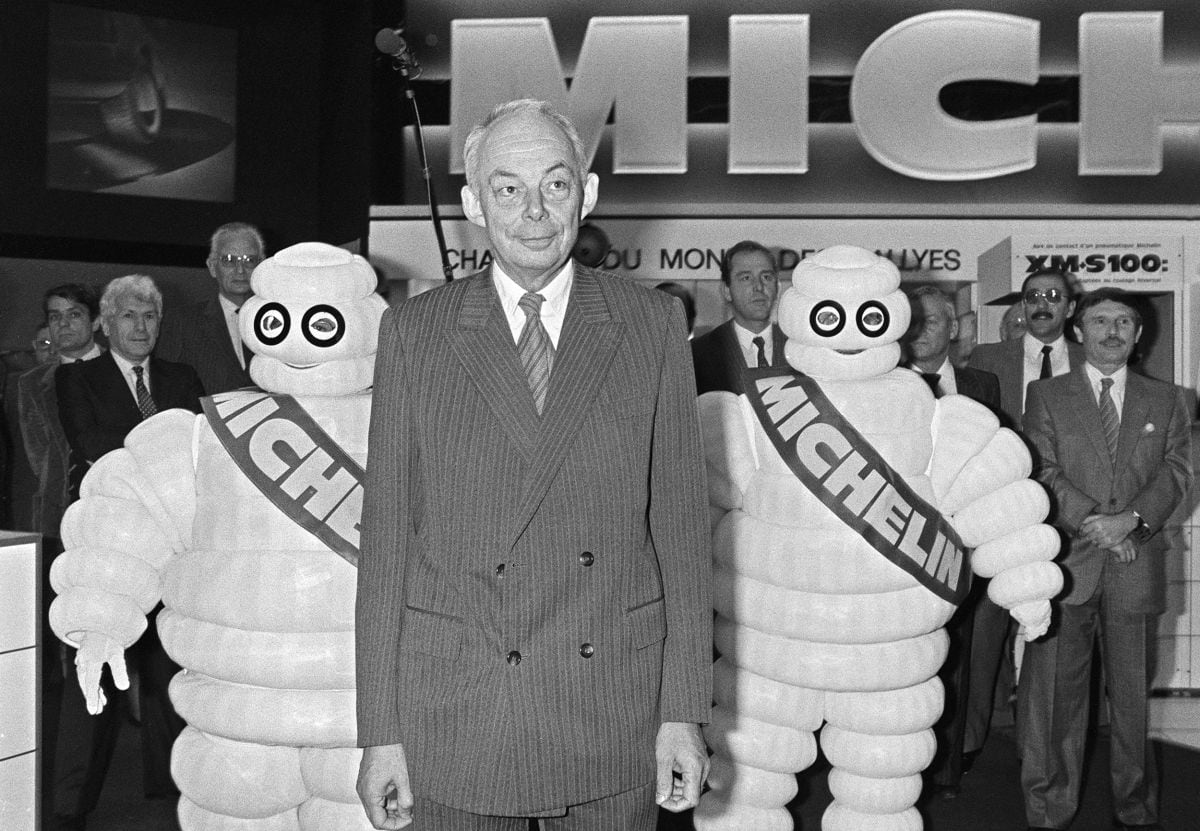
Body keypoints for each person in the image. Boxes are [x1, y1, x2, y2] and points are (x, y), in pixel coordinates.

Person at [355, 98, 712, 831]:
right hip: (458, 707)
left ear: (588, 192)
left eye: (555, 184)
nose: (534, 212)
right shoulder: (416, 332)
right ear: (472, 204)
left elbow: (681, 534)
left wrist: (683, 708)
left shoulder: (651, 325)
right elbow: (385, 543)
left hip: (611, 704)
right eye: (507, 188)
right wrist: (379, 729)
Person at [1020, 287, 1191, 831]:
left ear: (1138, 336)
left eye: (1124, 321)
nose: (1112, 330)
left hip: (1135, 565)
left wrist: (1131, 523)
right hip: (1069, 566)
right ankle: (1050, 809)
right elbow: (1041, 468)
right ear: (1078, 330)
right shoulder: (1046, 396)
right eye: (1100, 321)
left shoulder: (1169, 400)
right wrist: (1096, 519)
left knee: (1132, 703)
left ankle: (1135, 810)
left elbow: (1179, 472)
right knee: (1054, 702)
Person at [52, 275, 204, 830]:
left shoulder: (182, 378)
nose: (142, 327)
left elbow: (199, 452)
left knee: (171, 673)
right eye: (130, 317)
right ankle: (70, 806)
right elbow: (96, 449)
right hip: (108, 552)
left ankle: (171, 795)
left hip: (174, 548)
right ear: (107, 324)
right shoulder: (78, 380)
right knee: (92, 680)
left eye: (151, 317)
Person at [962, 267, 1085, 770]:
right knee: (984, 629)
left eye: (1054, 296)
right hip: (1000, 514)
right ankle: (970, 744)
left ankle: (1053, 741)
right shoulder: (989, 359)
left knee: (1061, 628)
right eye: (1034, 296)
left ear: (1070, 308)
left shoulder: (1089, 359)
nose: (1042, 304)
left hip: (1072, 515)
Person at [903, 285, 1001, 798]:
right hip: (903, 547)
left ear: (954, 328)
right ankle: (907, 762)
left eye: (932, 323)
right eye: (912, 323)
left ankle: (952, 764)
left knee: (966, 656)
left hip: (968, 545)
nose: (920, 333)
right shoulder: (887, 385)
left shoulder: (984, 385)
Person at [155, 221, 263, 394]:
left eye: (249, 260)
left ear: (262, 267)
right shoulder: (181, 322)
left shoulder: (278, 322)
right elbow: (166, 389)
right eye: (229, 260)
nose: (240, 270)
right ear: (212, 267)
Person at [690, 240, 786, 394]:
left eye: (767, 277)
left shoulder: (803, 349)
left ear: (778, 287)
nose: (759, 287)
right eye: (746, 278)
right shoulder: (697, 354)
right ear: (726, 290)